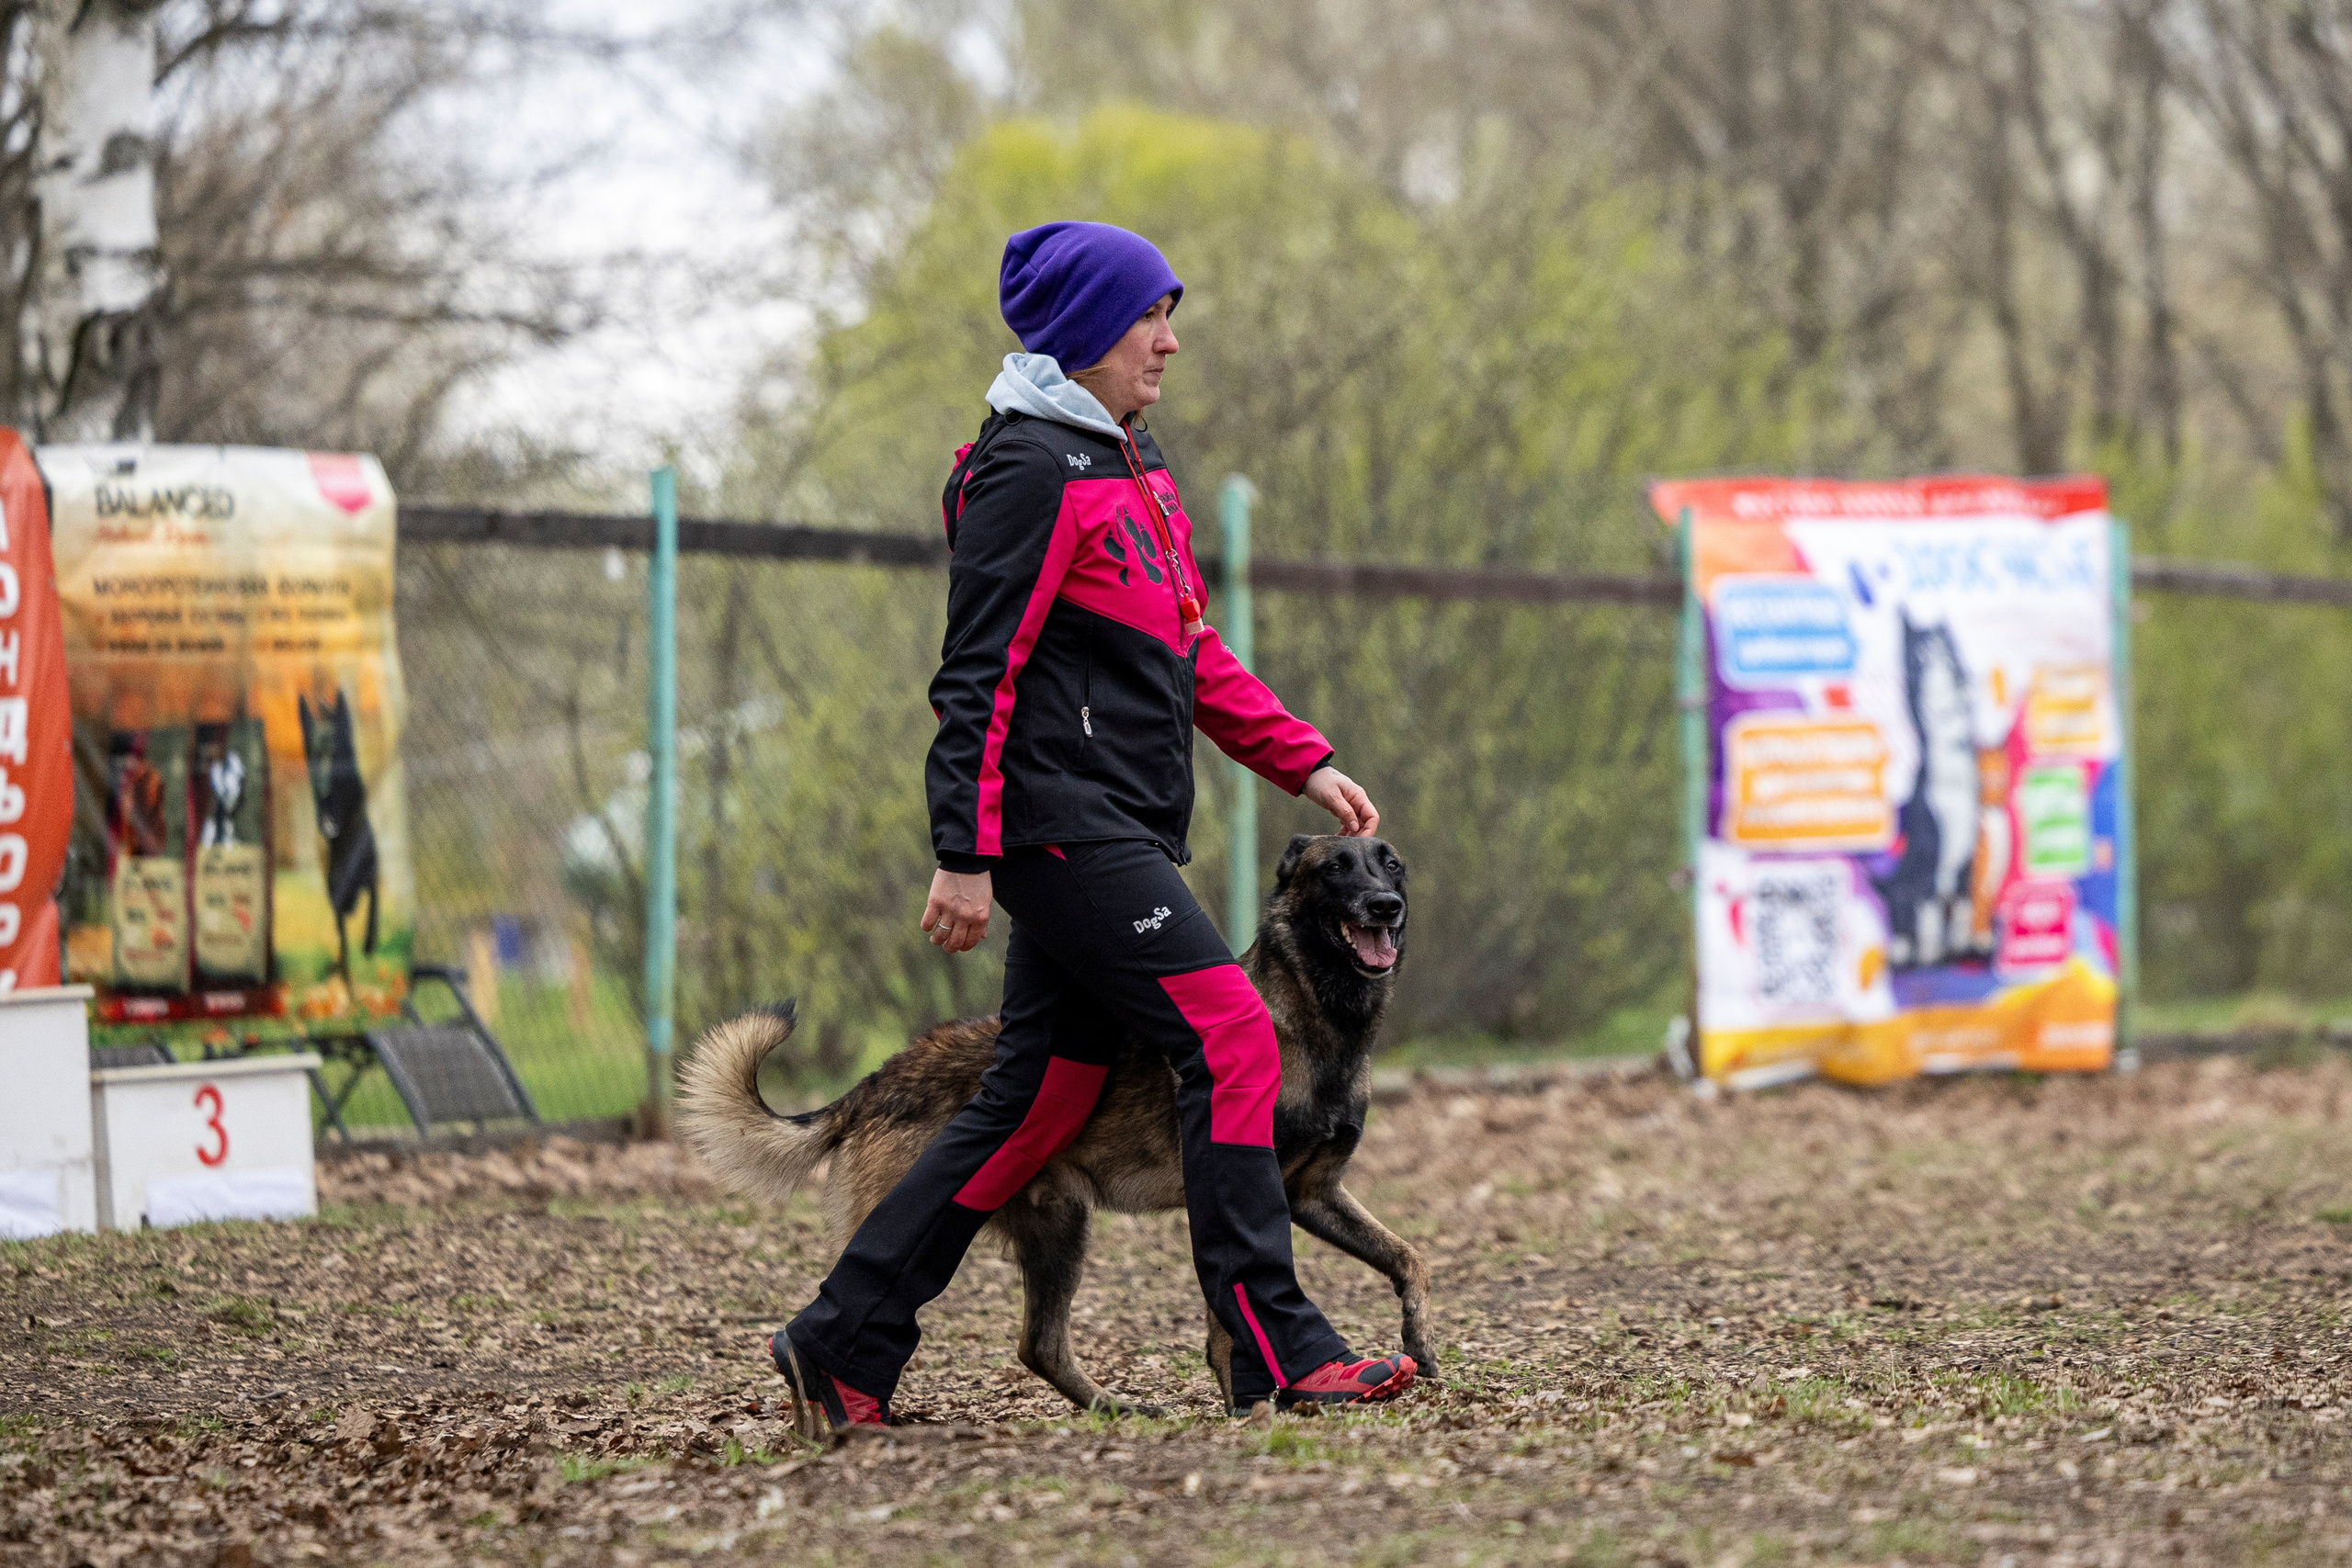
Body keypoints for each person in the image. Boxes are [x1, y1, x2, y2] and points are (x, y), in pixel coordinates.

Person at [770, 220, 1416, 1429]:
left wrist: (1305, 761)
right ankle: (1274, 1348)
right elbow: (978, 673)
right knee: (1234, 1034)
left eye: (1170, 315)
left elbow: (1188, 648)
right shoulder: (1026, 469)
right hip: (1060, 827)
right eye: (1144, 320)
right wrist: (962, 851)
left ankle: (841, 1342)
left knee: (1039, 1104)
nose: (1168, 341)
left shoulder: (1131, 459)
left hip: (1120, 824)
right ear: (1078, 337)